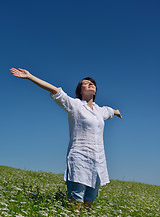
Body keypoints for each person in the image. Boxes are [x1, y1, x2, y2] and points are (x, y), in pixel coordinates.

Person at [10, 67, 122, 210]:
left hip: (98, 161)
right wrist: (30, 76)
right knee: (76, 201)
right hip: (80, 157)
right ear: (80, 91)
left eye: (92, 83)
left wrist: (118, 112)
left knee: (90, 201)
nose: (90, 84)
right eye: (86, 83)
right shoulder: (75, 105)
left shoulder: (101, 110)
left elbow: (112, 111)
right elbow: (54, 90)